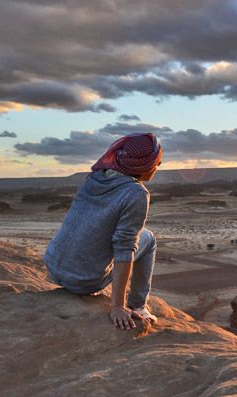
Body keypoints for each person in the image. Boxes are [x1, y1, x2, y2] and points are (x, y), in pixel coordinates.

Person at [44, 132, 162, 330]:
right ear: (146, 165)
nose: (157, 168)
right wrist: (117, 306)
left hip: (55, 269)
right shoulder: (136, 192)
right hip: (83, 282)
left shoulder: (96, 177)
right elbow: (125, 248)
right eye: (156, 163)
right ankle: (138, 305)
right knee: (148, 238)